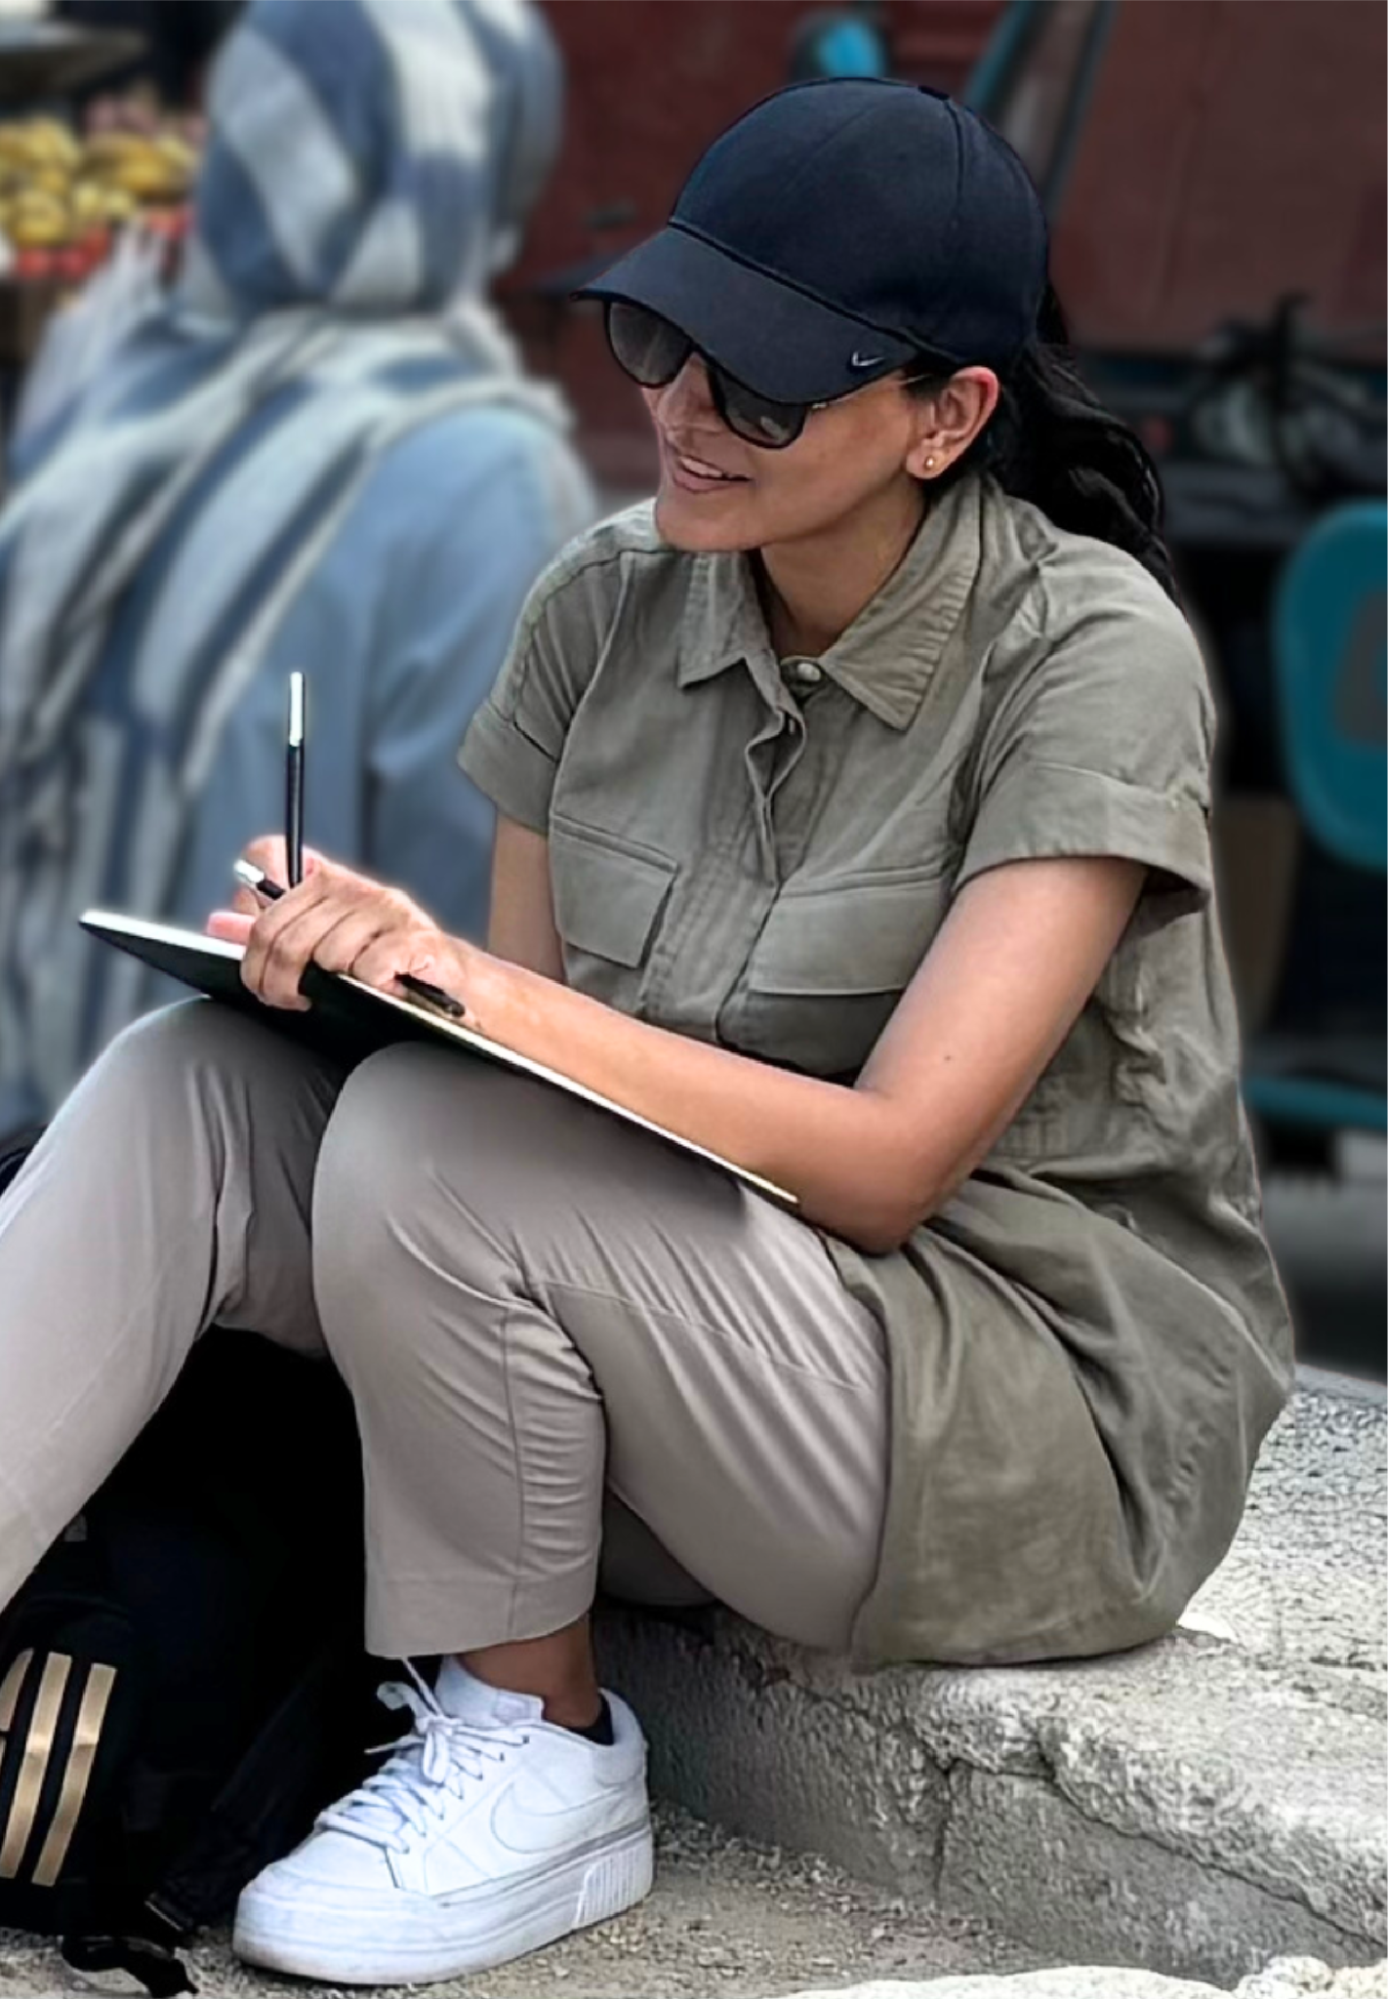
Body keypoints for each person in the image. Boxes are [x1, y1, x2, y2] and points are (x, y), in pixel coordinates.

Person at [0, 79, 1293, 1987]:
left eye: (762, 383)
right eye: (659, 337)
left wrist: (476, 993)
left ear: (947, 416)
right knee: (190, 1084)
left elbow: (892, 1163)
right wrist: (369, 978)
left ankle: (535, 1745)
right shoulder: (605, 605)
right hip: (666, 1372)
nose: (685, 406)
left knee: (439, 1137)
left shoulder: (1084, 652)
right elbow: (521, 1093)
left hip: (1001, 1412)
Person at [0, 0, 591, 1138]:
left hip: (51, 1108)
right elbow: (474, 957)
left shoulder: (129, 395)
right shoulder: (478, 473)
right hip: (232, 1167)